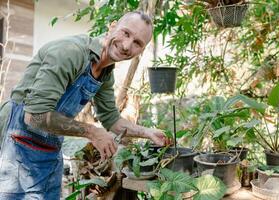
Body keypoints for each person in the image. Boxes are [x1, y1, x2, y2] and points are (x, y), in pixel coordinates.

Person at [0, 11, 169, 199]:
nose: (127, 45)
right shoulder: (70, 52)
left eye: (137, 43)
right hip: (17, 143)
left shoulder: (105, 73)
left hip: (48, 149)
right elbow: (34, 116)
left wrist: (147, 133)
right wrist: (92, 132)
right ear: (112, 27)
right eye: (125, 33)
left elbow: (111, 119)